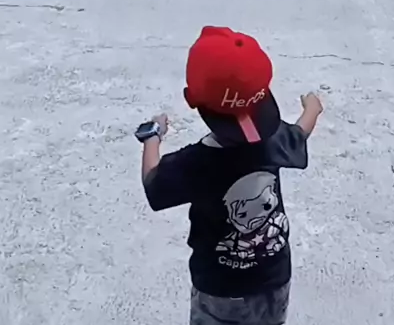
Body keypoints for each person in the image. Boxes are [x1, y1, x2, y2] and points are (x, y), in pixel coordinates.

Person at [137, 26, 323, 325]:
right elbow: (301, 131)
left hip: (219, 288)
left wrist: (152, 136)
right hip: (274, 279)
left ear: (191, 98)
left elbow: (153, 183)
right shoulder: (275, 138)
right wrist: (313, 107)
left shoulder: (196, 162)